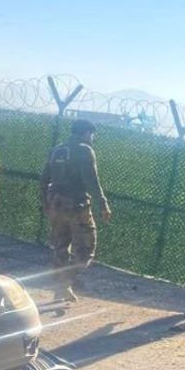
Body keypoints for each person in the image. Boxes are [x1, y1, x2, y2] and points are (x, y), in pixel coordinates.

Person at [39, 119, 111, 303]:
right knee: (87, 248)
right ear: (87, 132)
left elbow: (44, 178)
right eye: (92, 134)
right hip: (77, 205)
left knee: (60, 247)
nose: (93, 138)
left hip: (56, 202)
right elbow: (91, 182)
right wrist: (103, 204)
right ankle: (65, 282)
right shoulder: (85, 150)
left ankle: (60, 289)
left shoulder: (58, 149)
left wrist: (45, 202)